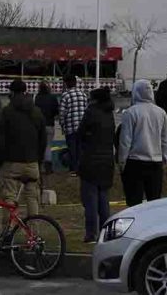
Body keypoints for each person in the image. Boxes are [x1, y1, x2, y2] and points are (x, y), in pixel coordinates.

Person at [0, 79, 47, 231]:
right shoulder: (36, 111)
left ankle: (7, 231)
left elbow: (0, 138)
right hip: (32, 161)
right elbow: (43, 138)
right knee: (32, 198)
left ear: (12, 92)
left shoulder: (7, 111)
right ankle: (34, 233)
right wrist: (38, 159)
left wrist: (0, 159)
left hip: (12, 161)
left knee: (9, 197)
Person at [118, 80, 167, 207]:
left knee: (134, 203)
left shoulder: (131, 112)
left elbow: (125, 140)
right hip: (156, 162)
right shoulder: (161, 112)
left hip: (135, 162)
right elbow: (165, 138)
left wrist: (122, 162)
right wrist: (164, 156)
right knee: (154, 203)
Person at [77, 88, 115, 243]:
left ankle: (91, 233)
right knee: (103, 199)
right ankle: (106, 233)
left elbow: (80, 133)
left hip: (91, 161)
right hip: (107, 161)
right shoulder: (109, 114)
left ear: (95, 99)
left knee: (90, 200)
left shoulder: (91, 112)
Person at [59, 75, 88, 175]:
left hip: (70, 127)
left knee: (72, 149)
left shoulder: (65, 95)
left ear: (66, 83)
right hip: (82, 128)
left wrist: (62, 125)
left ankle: (73, 169)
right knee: (80, 149)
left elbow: (62, 113)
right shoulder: (83, 95)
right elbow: (87, 111)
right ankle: (81, 168)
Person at [34, 82, 59, 173]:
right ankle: (48, 167)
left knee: (39, 146)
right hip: (49, 124)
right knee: (48, 146)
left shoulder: (37, 97)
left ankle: (39, 167)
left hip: (39, 126)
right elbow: (56, 111)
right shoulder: (52, 98)